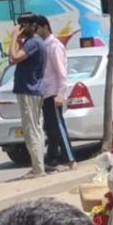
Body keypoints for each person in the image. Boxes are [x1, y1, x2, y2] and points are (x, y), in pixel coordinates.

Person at [7, 13, 46, 178]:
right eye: (19, 25)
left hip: (30, 91)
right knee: (33, 128)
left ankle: (38, 169)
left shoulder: (34, 43)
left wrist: (14, 37)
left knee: (32, 130)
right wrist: (17, 39)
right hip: (30, 91)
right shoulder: (31, 42)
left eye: (24, 25)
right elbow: (12, 60)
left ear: (33, 26)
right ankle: (38, 166)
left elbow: (13, 57)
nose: (21, 28)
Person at [35, 15, 76, 171]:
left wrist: (60, 94)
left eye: (37, 28)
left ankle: (70, 159)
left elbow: (61, 73)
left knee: (58, 126)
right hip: (45, 93)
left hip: (54, 93)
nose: (36, 32)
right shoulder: (44, 45)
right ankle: (52, 159)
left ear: (45, 27)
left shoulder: (54, 46)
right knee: (50, 128)